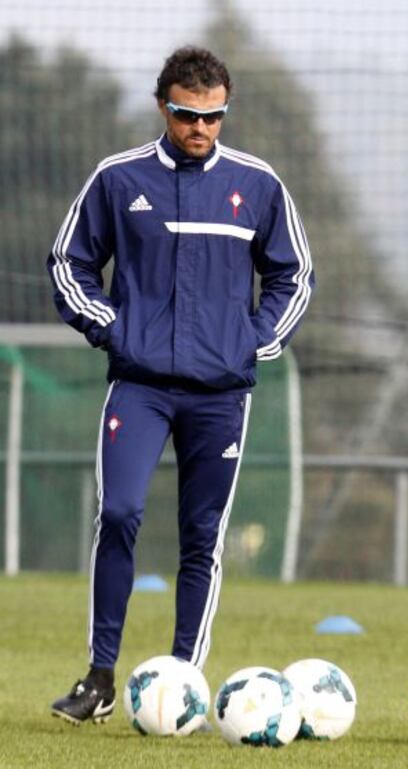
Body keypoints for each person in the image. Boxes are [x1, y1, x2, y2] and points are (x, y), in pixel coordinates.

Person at [47, 46, 314, 725]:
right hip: (138, 386)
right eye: (187, 115)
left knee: (202, 536)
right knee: (119, 514)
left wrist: (253, 340)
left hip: (222, 393)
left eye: (213, 116)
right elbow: (68, 264)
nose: (201, 128)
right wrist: (113, 327)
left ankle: (184, 682)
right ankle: (100, 678)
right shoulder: (117, 178)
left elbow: (294, 275)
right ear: (163, 106)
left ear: (225, 111)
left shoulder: (257, 185)